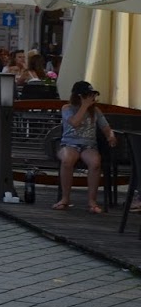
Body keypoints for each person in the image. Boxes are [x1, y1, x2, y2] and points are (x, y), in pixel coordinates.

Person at [53, 81, 118, 213]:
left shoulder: (96, 111)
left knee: (95, 163)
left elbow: (105, 126)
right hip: (69, 143)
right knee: (67, 161)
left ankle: (92, 201)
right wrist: (84, 106)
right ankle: (65, 198)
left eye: (93, 95)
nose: (92, 98)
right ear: (80, 96)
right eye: (89, 95)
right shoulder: (67, 108)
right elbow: (75, 123)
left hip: (88, 145)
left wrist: (110, 135)